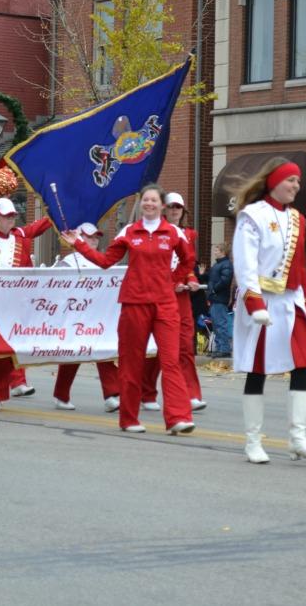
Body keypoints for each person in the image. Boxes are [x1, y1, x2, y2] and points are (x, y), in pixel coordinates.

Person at [60, 184, 196, 435]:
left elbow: (188, 259)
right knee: (131, 362)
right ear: (141, 204)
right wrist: (79, 244)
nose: (150, 204)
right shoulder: (128, 232)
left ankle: (178, 417)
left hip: (165, 305)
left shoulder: (174, 233)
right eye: (146, 200)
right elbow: (105, 261)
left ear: (162, 206)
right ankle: (129, 418)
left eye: (154, 200)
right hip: (134, 304)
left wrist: (174, 279)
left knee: (171, 360)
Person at [231, 158, 306, 464]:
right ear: (274, 181)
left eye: (298, 182)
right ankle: (253, 441)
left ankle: (297, 438)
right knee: (257, 369)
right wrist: (254, 304)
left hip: (291, 301)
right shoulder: (252, 215)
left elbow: (299, 265)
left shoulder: (299, 218)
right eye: (290, 180)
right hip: (261, 300)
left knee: (303, 362)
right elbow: (245, 264)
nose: (296, 186)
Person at [0, 197, 51, 409]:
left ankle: (1, 386)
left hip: (14, 303)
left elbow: (26, 269)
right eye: (5, 217)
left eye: (12, 216)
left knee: (11, 350)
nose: (9, 220)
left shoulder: (19, 240)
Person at [139, 191, 205, 412]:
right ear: (164, 209)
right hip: (159, 295)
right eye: (171, 206)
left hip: (181, 297)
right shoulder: (155, 232)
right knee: (158, 348)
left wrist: (192, 280)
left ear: (183, 211)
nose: (175, 210)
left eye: (178, 207)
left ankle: (191, 394)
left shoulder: (187, 235)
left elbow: (188, 265)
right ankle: (147, 392)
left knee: (185, 345)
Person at [51, 222, 121, 412]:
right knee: (73, 356)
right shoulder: (68, 262)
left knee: (102, 352)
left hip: (97, 316)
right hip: (74, 316)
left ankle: (112, 394)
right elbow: (57, 292)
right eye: (90, 237)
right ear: (79, 237)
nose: (94, 240)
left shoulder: (102, 260)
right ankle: (61, 394)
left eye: (96, 237)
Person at [207, 242, 233, 358]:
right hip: (215, 298)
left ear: (222, 252)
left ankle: (225, 348)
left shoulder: (226, 264)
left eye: (216, 250)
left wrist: (213, 290)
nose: (214, 252)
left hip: (219, 297)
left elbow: (225, 280)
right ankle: (219, 347)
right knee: (216, 324)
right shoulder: (218, 265)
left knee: (221, 323)